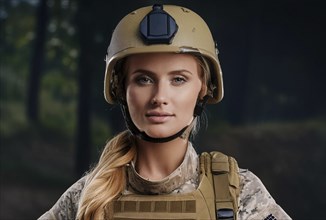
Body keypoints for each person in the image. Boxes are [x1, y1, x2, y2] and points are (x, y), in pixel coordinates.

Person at [39, 4, 291, 220]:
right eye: (144, 80)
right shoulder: (88, 197)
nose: (160, 97)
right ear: (121, 89)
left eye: (178, 79)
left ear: (203, 89)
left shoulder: (237, 192)